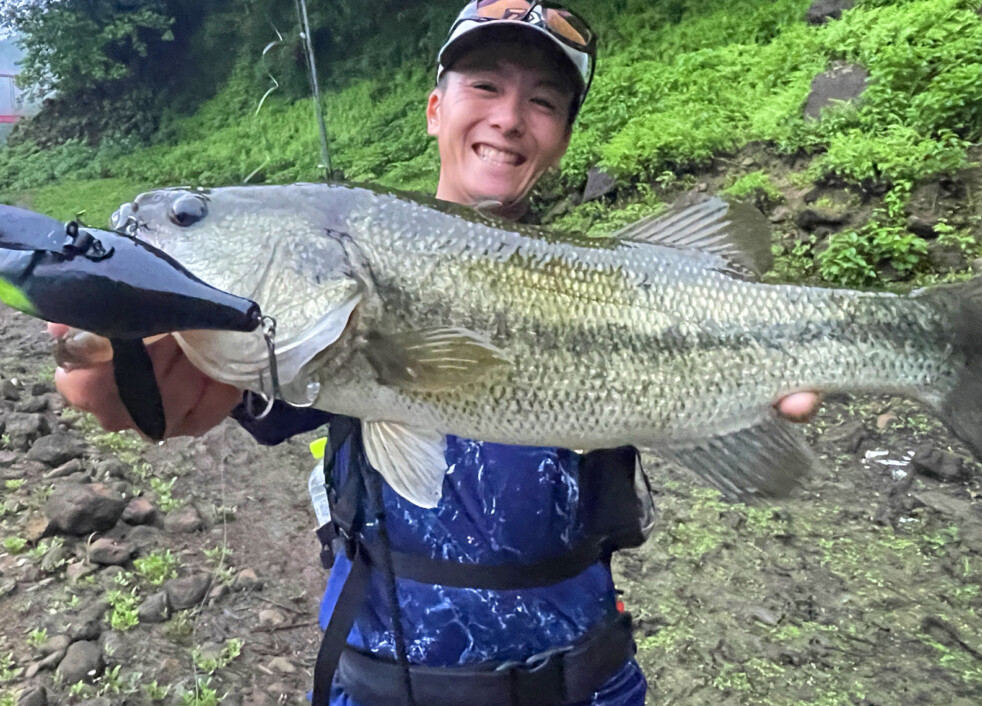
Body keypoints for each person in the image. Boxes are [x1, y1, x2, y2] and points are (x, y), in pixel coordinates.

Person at [50, 2, 820, 703]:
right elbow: (177, 401)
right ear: (434, 109)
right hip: (389, 687)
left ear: (562, 139)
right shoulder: (301, 319)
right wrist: (122, 371)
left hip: (591, 682)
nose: (509, 119)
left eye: (543, 102)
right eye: (484, 85)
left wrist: (763, 382)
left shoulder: (621, 280)